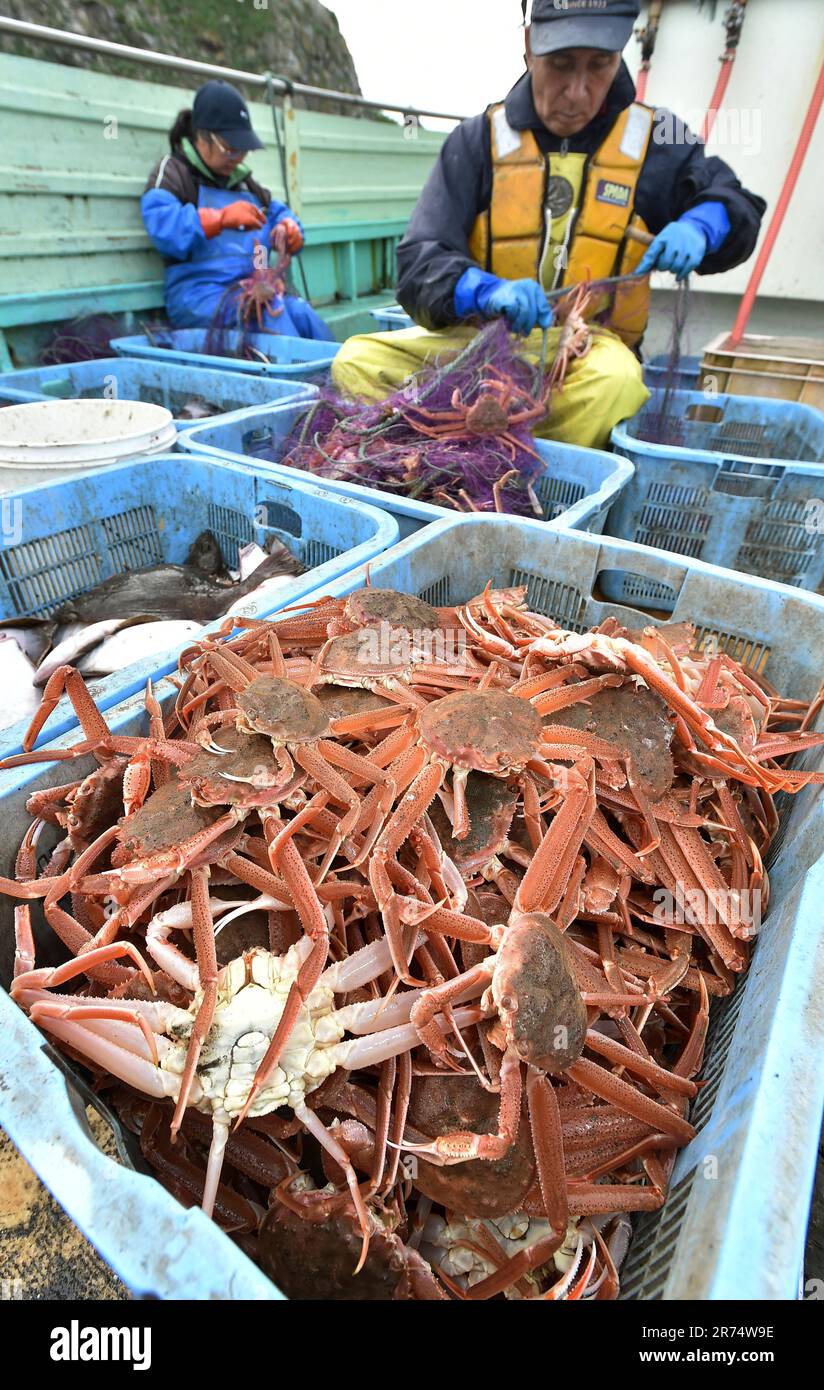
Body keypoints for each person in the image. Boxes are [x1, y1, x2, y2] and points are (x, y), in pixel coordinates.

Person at [333, 0, 765, 448]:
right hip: (483, 344)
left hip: (587, 351)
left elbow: (735, 200)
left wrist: (703, 225)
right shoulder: (476, 140)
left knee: (616, 382)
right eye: (560, 65)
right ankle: (452, 460)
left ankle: (535, 479)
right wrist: (485, 291)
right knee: (357, 361)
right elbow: (418, 265)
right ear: (529, 48)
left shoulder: (656, 139)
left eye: (599, 65)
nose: (577, 91)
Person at [141, 80, 333, 341]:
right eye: (230, 148)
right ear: (201, 137)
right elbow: (163, 228)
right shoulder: (174, 172)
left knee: (299, 311)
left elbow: (279, 214)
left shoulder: (247, 184)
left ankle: (338, 376)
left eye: (243, 150)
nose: (238, 158)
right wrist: (219, 219)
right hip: (198, 297)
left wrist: (290, 228)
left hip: (250, 288)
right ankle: (304, 380)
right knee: (270, 311)